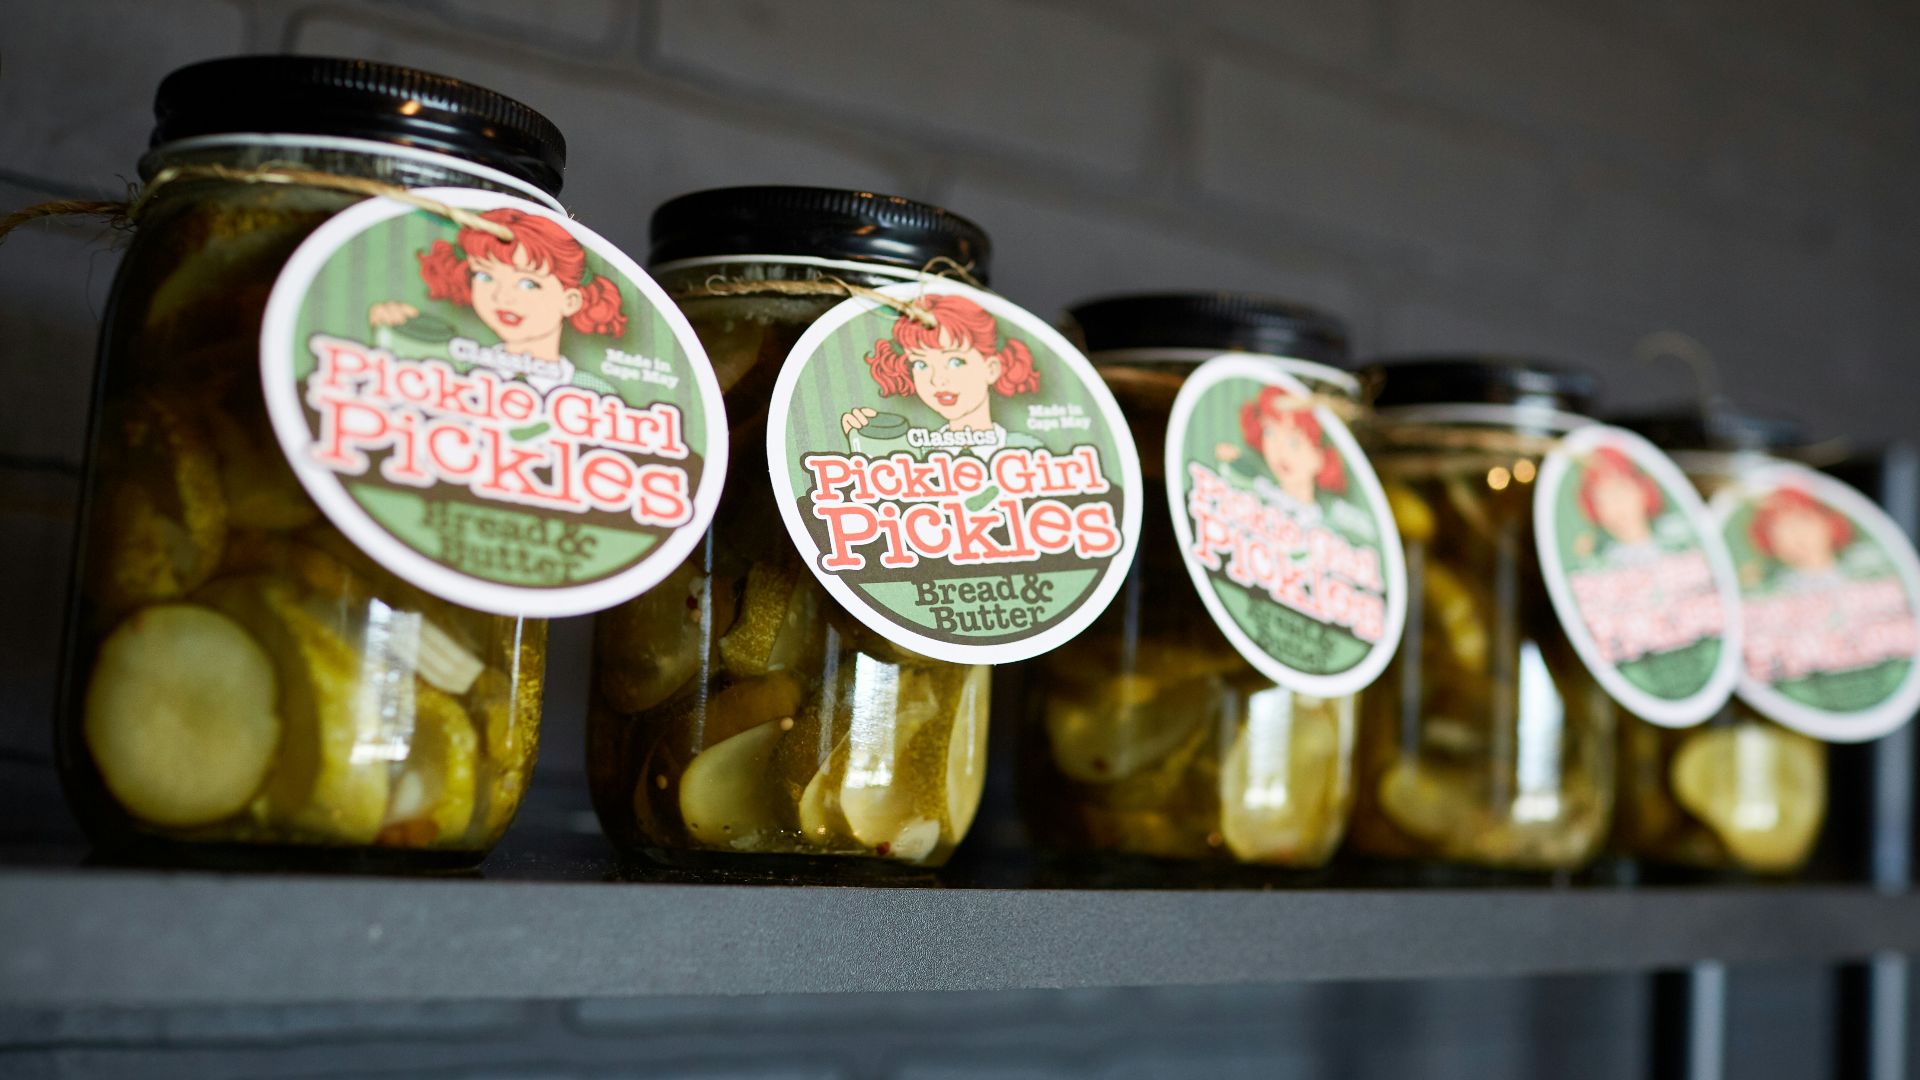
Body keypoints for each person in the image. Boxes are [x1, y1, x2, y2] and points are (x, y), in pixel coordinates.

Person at [369, 207, 626, 370]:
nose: (502, 297)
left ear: (570, 300)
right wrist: (393, 328)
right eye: (484, 276)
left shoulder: (594, 394)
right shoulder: (452, 364)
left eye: (528, 283)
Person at [842, 294, 1041, 454]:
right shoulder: (915, 456)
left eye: (955, 361)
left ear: (991, 369)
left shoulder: (1027, 450)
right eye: (921, 364)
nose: (937, 380)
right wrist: (862, 445)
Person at [1215, 386, 1346, 508]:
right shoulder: (1262, 490)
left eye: (1293, 442)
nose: (1279, 450)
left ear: (1320, 456)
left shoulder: (1324, 521)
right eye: (1269, 433)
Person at [1577, 446, 1663, 561]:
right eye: (1602, 501)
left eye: (1618, 492)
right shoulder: (1601, 559)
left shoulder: (1674, 538)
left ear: (1642, 491)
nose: (1614, 507)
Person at [1751, 487, 1852, 582]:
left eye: (1804, 520)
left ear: (1829, 523)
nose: (1797, 534)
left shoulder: (1856, 572)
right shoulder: (1778, 589)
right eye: (1784, 528)